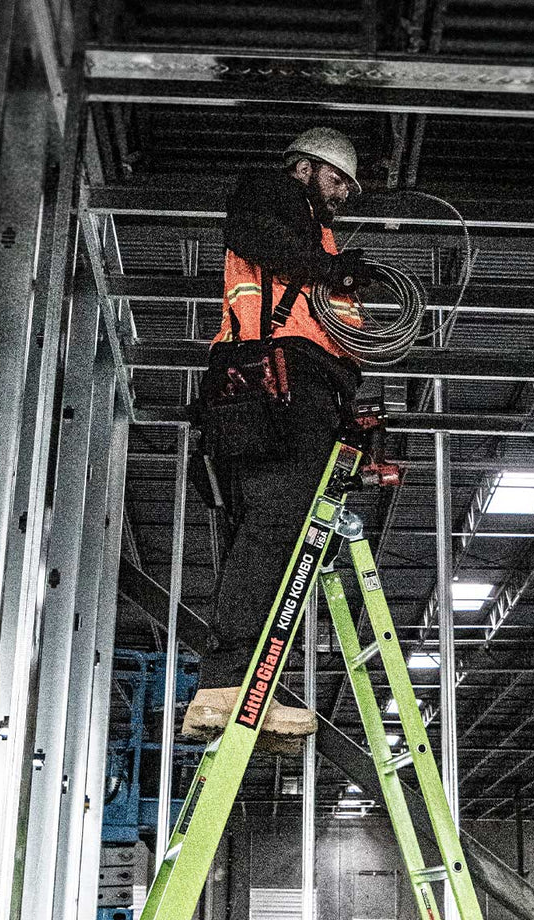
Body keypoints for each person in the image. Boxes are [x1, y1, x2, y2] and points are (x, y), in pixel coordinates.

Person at [182, 127, 373, 749]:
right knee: (276, 528)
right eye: (336, 178)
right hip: (278, 385)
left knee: (265, 532)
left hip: (275, 391)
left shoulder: (306, 226)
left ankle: (235, 685)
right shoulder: (274, 194)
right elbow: (254, 237)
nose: (342, 193)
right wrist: (333, 268)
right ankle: (231, 684)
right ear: (303, 167)